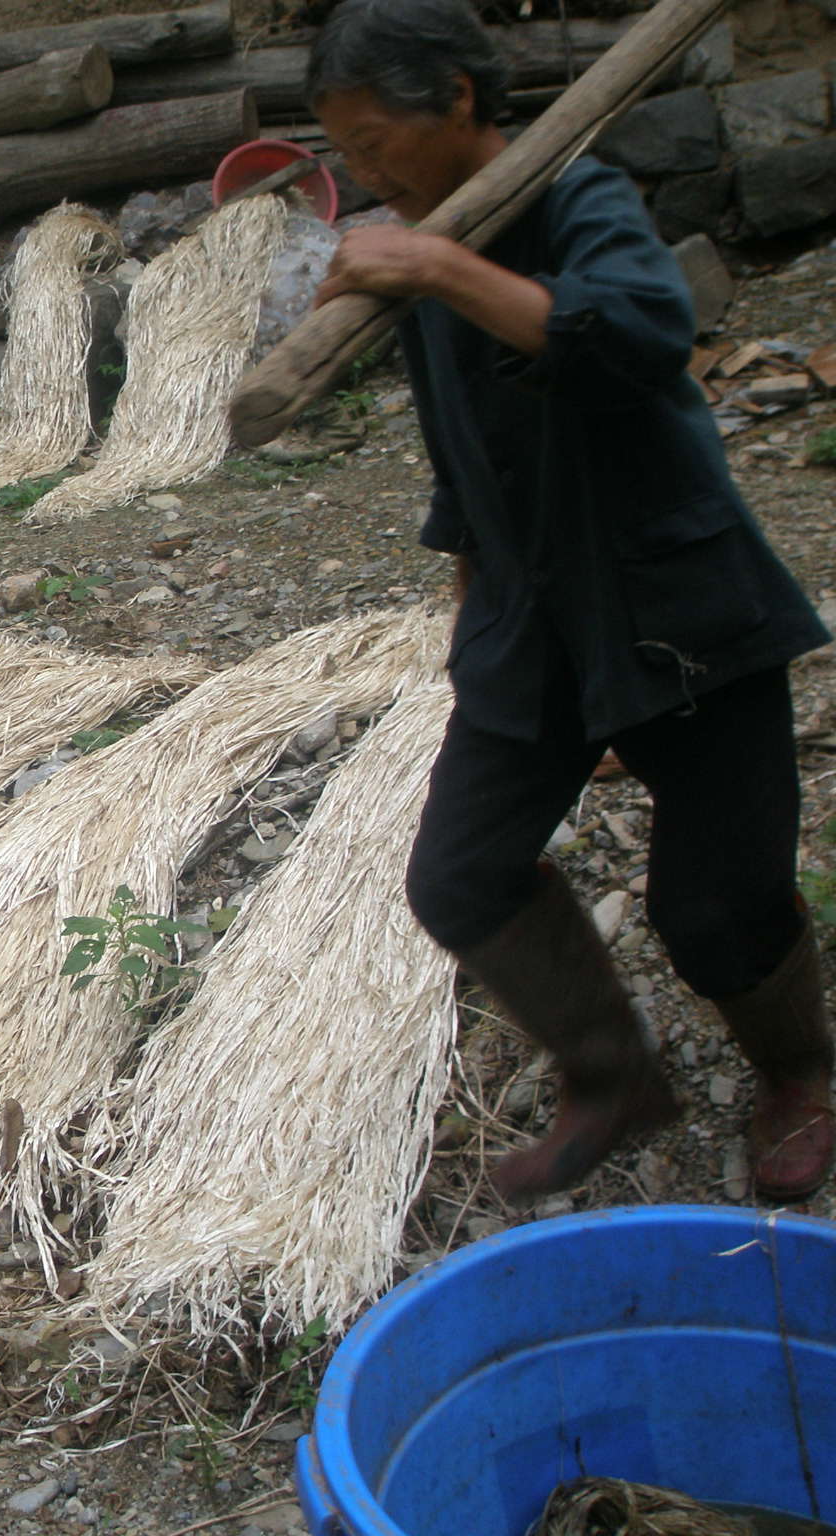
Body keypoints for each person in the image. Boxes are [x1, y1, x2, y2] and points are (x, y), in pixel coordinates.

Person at [305, 0, 833, 1204]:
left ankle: (797, 1076)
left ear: (455, 97)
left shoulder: (572, 200)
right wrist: (472, 632)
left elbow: (643, 334)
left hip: (675, 606)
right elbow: (462, 469)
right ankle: (610, 1079)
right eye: (346, 151)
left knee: (714, 908)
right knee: (458, 873)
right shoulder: (420, 253)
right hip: (528, 617)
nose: (365, 173)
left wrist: (441, 267)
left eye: (376, 141)